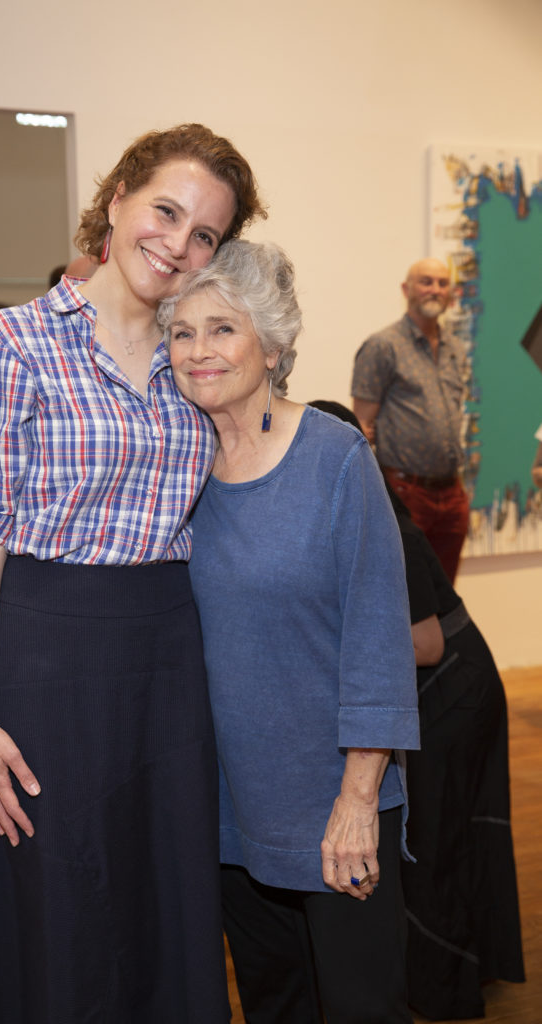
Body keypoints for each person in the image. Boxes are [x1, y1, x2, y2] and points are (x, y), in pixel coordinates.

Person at [0, 124, 266, 1024]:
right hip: (44, 653)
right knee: (53, 892)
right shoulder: (15, 342)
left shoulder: (200, 358)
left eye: (205, 236)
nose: (177, 245)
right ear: (116, 201)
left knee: (157, 895)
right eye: (165, 211)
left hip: (167, 660)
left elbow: (254, 456)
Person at [157, 239, 420, 1024]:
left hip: (330, 795)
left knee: (360, 1006)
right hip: (225, 800)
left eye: (221, 329)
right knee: (275, 1004)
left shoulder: (334, 457)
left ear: (270, 346)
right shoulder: (170, 462)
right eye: (180, 332)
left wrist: (356, 800)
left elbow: (378, 641)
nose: (199, 351)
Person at [310, 399, 525, 1020]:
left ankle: (446, 990)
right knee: (442, 841)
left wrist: (335, 638)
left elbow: (425, 643)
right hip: (439, 689)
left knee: (437, 843)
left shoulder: (389, 527)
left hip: (455, 688)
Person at [351, 258, 470, 583]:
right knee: (406, 597)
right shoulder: (383, 346)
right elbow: (361, 427)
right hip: (406, 493)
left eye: (442, 283)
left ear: (451, 294)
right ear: (407, 290)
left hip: (452, 494)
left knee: (446, 600)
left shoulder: (455, 349)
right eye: (426, 281)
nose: (435, 289)